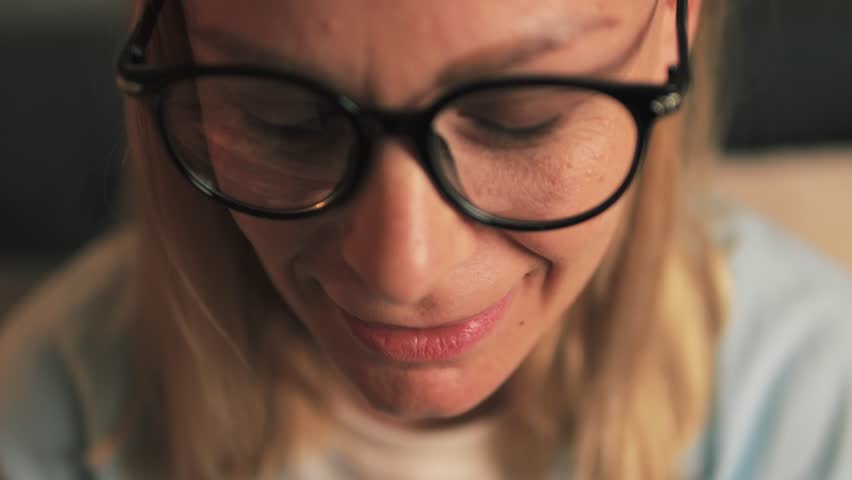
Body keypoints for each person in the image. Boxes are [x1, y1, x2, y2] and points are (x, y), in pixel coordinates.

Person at [1, 0, 850, 478]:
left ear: (678, 29)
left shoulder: (815, 409)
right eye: (287, 122)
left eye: (522, 119)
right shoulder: (46, 416)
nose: (401, 271)